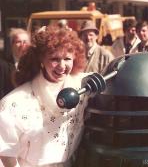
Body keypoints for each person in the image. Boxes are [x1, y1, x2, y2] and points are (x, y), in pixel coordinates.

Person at [0, 26, 88, 167]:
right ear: (40, 59)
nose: (62, 66)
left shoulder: (83, 87)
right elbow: (6, 152)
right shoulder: (14, 103)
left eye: (67, 58)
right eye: (54, 59)